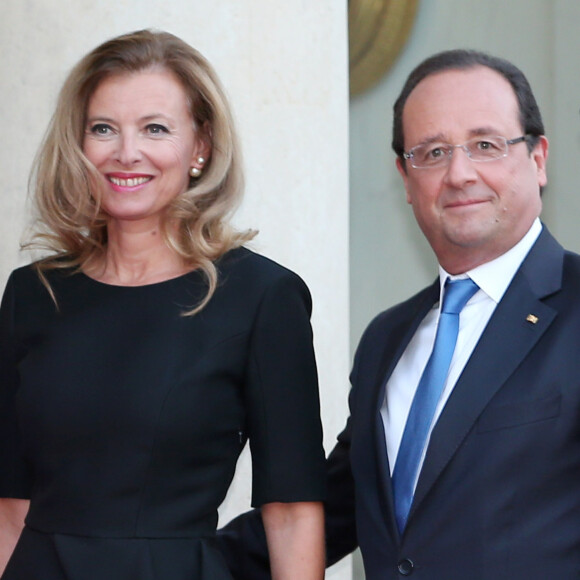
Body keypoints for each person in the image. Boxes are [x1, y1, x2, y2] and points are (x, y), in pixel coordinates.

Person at [217, 49, 580, 579]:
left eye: (485, 144)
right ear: (405, 179)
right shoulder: (388, 339)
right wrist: (157, 556)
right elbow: (338, 508)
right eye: (431, 152)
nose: (459, 173)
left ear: (538, 159)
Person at [0, 29, 327, 579]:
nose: (126, 153)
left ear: (200, 145)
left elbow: (292, 513)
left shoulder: (261, 297)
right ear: (78, 144)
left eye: (155, 128)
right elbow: (8, 505)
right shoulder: (32, 294)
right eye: (103, 129)